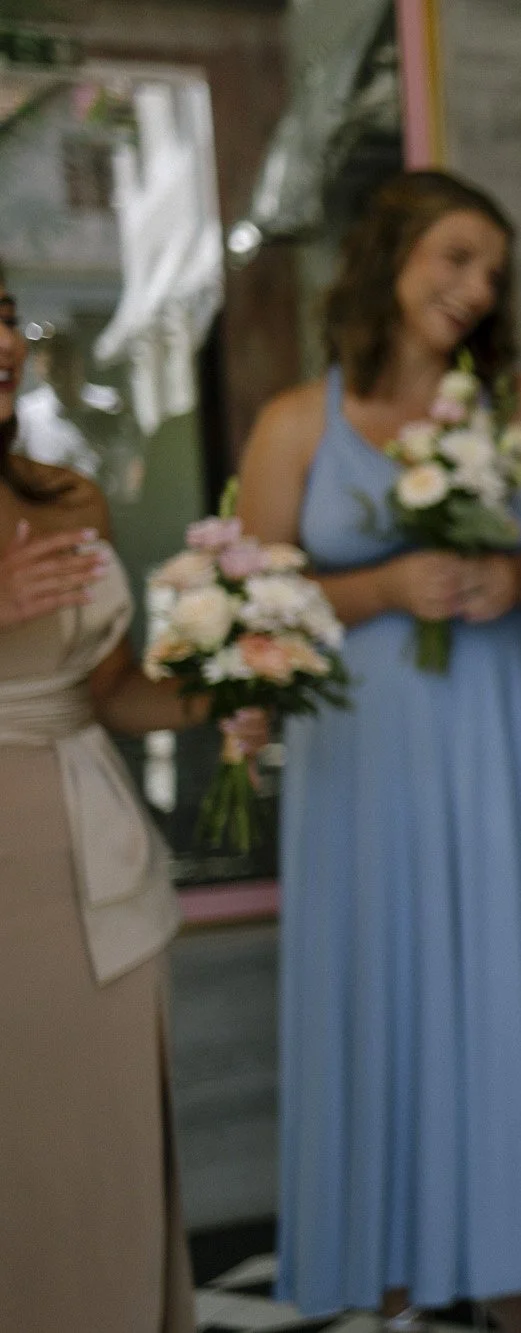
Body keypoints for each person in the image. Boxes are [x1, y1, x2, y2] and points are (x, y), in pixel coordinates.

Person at [236, 171, 521, 1333]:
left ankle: (505, 1269)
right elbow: (254, 602)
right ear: (387, 257)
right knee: (377, 986)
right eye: (453, 257)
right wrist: (383, 585)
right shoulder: (298, 421)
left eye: (491, 269)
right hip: (362, 758)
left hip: (494, 740)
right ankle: (387, 1274)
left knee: (495, 982)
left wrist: (512, 577)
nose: (474, 287)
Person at [0, 258, 252, 1330]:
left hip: (95, 890)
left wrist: (227, 686)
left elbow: (106, 694)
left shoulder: (67, 499)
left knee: (99, 1186)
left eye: (4, 318)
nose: (2, 345)